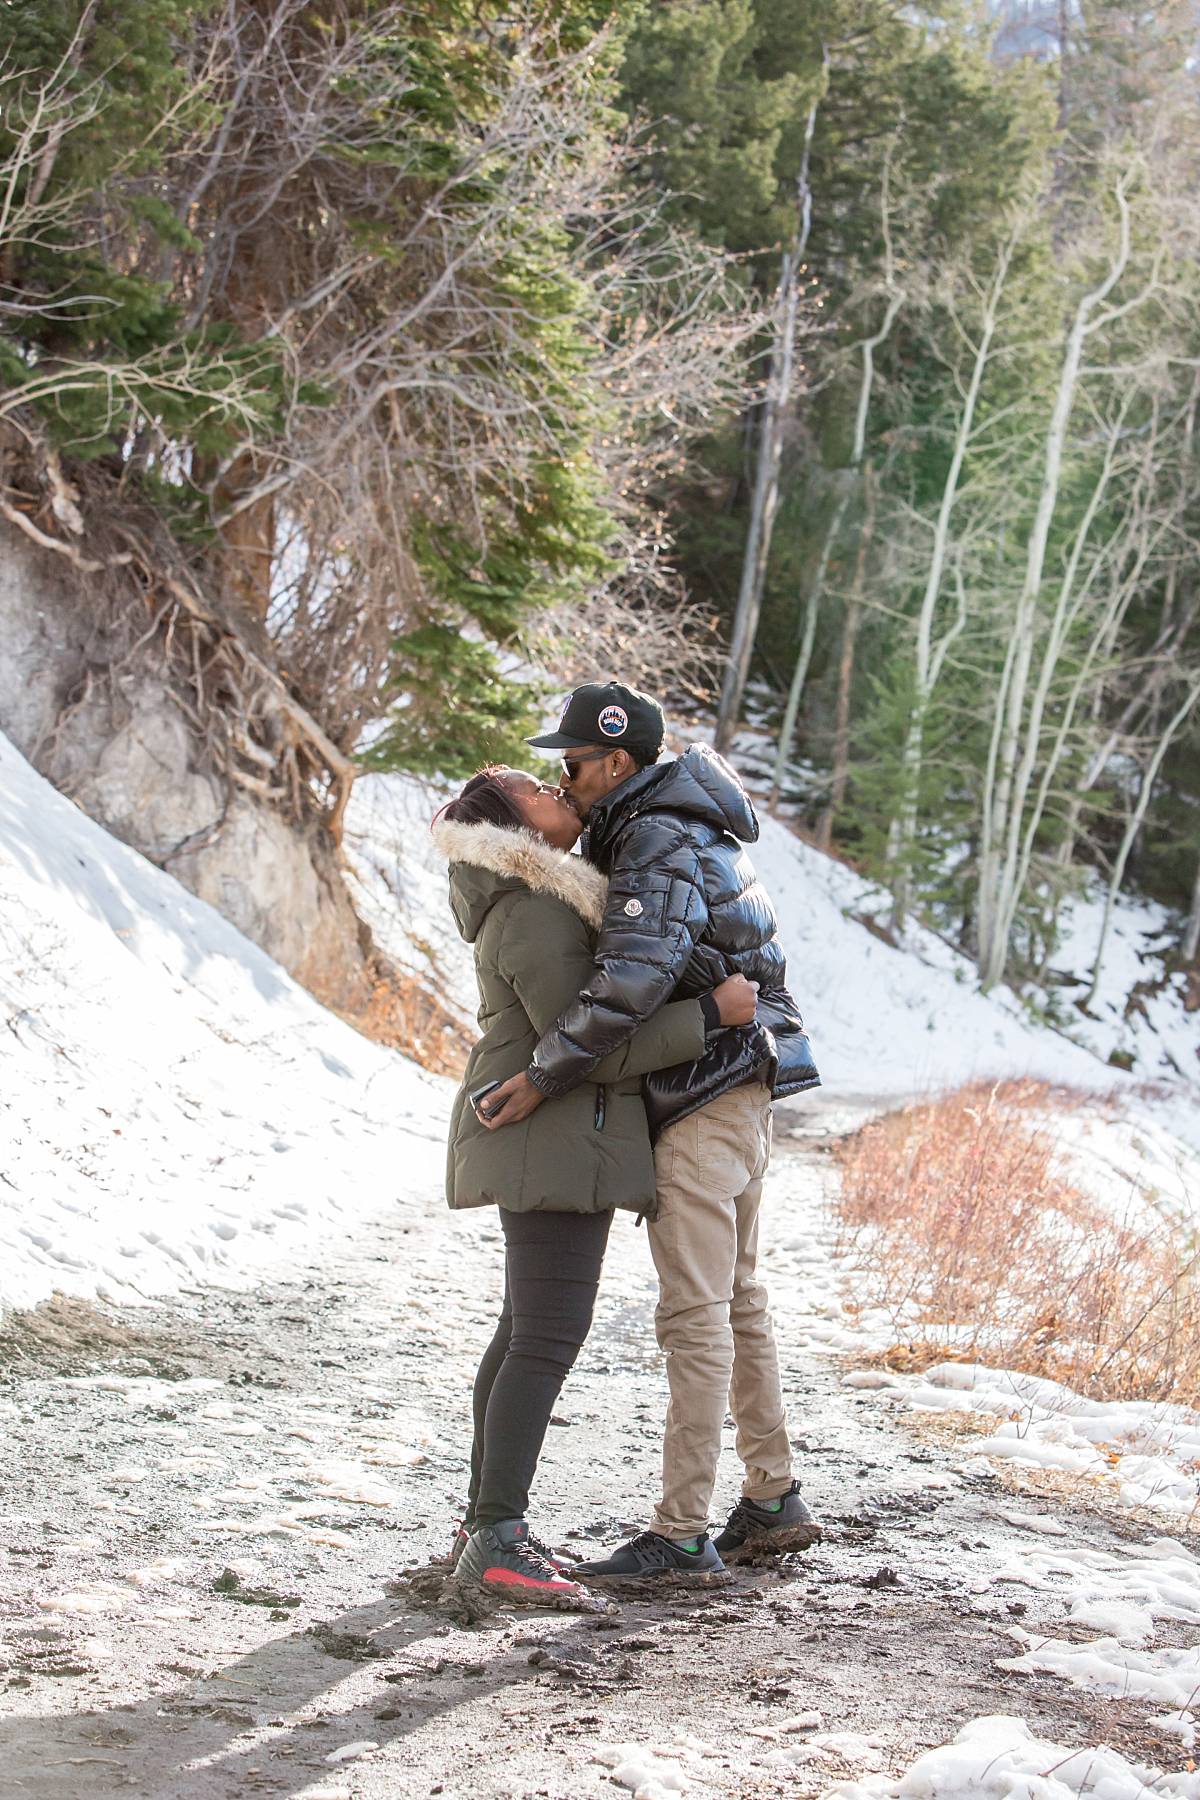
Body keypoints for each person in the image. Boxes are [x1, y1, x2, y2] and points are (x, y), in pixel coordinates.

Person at [479, 682, 822, 1587]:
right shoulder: (677, 821)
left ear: (618, 764)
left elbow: (635, 974)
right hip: (741, 1082)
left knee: (696, 1312)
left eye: (575, 763)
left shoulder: (652, 835)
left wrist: (543, 1072)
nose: (566, 776)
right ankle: (773, 1499)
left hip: (705, 1093)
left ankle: (680, 1534)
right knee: (738, 1298)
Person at [432, 763, 759, 1604]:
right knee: (544, 1337)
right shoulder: (536, 912)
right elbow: (589, 1047)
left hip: (555, 1142)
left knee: (521, 1333)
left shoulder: (531, 898)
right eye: (538, 790)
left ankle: (485, 1523)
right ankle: (499, 1536)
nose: (557, 790)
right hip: (549, 1141)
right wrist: (708, 1015)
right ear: (516, 825)